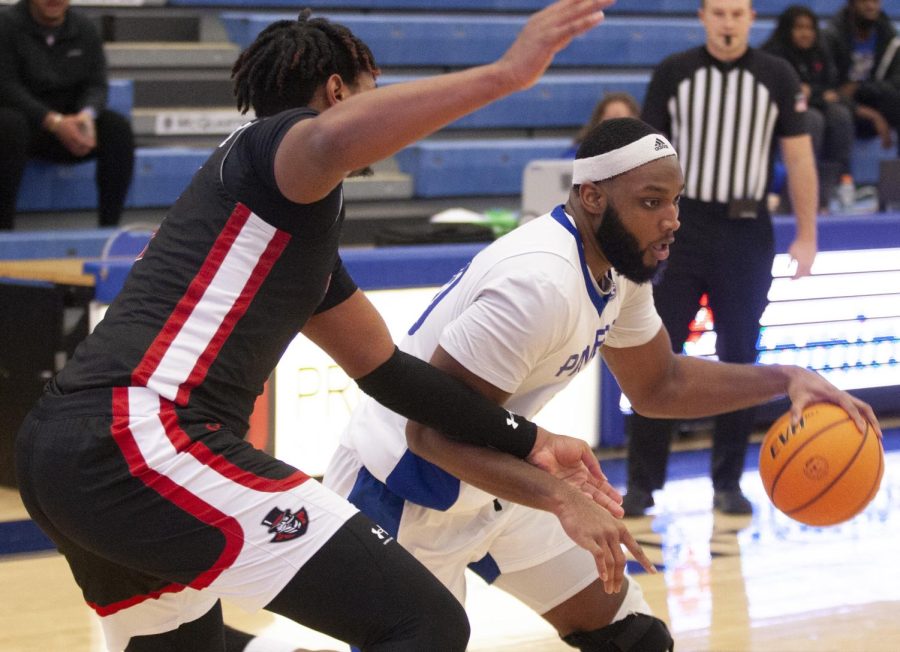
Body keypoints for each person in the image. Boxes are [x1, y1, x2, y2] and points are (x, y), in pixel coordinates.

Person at [12, 3, 640, 651]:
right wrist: (506, 74)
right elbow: (330, 138)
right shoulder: (278, 146)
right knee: (422, 622)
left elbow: (391, 375)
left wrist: (530, 439)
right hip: (141, 439)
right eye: (374, 89)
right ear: (338, 92)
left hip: (66, 453)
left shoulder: (281, 228)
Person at [323, 117, 880, 651]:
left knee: (633, 638)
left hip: (496, 477)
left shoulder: (618, 266)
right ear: (592, 196)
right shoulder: (539, 285)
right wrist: (564, 499)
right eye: (651, 201)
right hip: (401, 485)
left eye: (675, 201)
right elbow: (431, 436)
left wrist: (788, 378)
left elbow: (659, 384)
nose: (672, 219)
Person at [626, 0, 820, 517]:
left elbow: (798, 157)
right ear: (703, 17)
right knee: (655, 352)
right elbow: (644, 155)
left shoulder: (776, 75)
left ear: (751, 18)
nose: (728, 22)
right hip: (680, 227)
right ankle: (642, 484)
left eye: (737, 13)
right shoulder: (674, 72)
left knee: (741, 355)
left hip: (746, 230)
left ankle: (727, 483)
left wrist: (807, 232)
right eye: (719, 12)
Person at [0, 0, 135, 230]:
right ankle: (4, 233)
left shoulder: (85, 28)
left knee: (117, 129)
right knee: (9, 125)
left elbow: (96, 85)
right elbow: (6, 87)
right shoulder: (6, 25)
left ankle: (108, 232)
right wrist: (53, 121)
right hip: (25, 127)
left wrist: (86, 116)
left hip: (71, 129)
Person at [762, 5, 854, 210]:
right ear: (788, 29)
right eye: (799, 27)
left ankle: (828, 192)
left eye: (810, 28)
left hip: (814, 107)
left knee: (840, 116)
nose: (806, 33)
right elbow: (791, 96)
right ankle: (791, 197)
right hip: (777, 116)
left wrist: (814, 94)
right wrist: (816, 95)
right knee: (812, 119)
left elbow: (830, 89)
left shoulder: (821, 52)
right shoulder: (773, 55)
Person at [823, 0, 900, 156]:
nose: (871, 6)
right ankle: (841, 178)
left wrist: (860, 88)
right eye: (864, 1)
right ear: (852, 4)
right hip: (842, 105)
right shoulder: (831, 37)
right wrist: (870, 114)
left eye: (875, 1)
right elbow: (828, 88)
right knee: (839, 114)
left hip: (873, 98)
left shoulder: (889, 37)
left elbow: (897, 81)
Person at [563, 91, 641, 156]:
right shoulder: (580, 153)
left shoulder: (646, 154)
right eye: (609, 119)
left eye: (621, 119)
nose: (615, 125)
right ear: (598, 122)